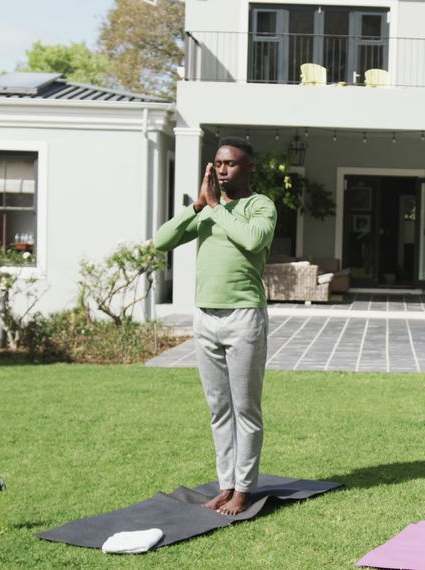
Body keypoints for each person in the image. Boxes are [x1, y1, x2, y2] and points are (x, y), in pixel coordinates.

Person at [153, 137, 277, 515]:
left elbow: (253, 240)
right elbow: (162, 241)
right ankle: (226, 484)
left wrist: (216, 207)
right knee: (218, 408)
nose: (223, 170)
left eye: (232, 164)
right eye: (218, 164)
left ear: (249, 167)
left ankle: (244, 488)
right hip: (205, 317)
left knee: (245, 408)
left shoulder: (260, 206)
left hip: (244, 318)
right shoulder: (205, 210)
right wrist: (196, 206)